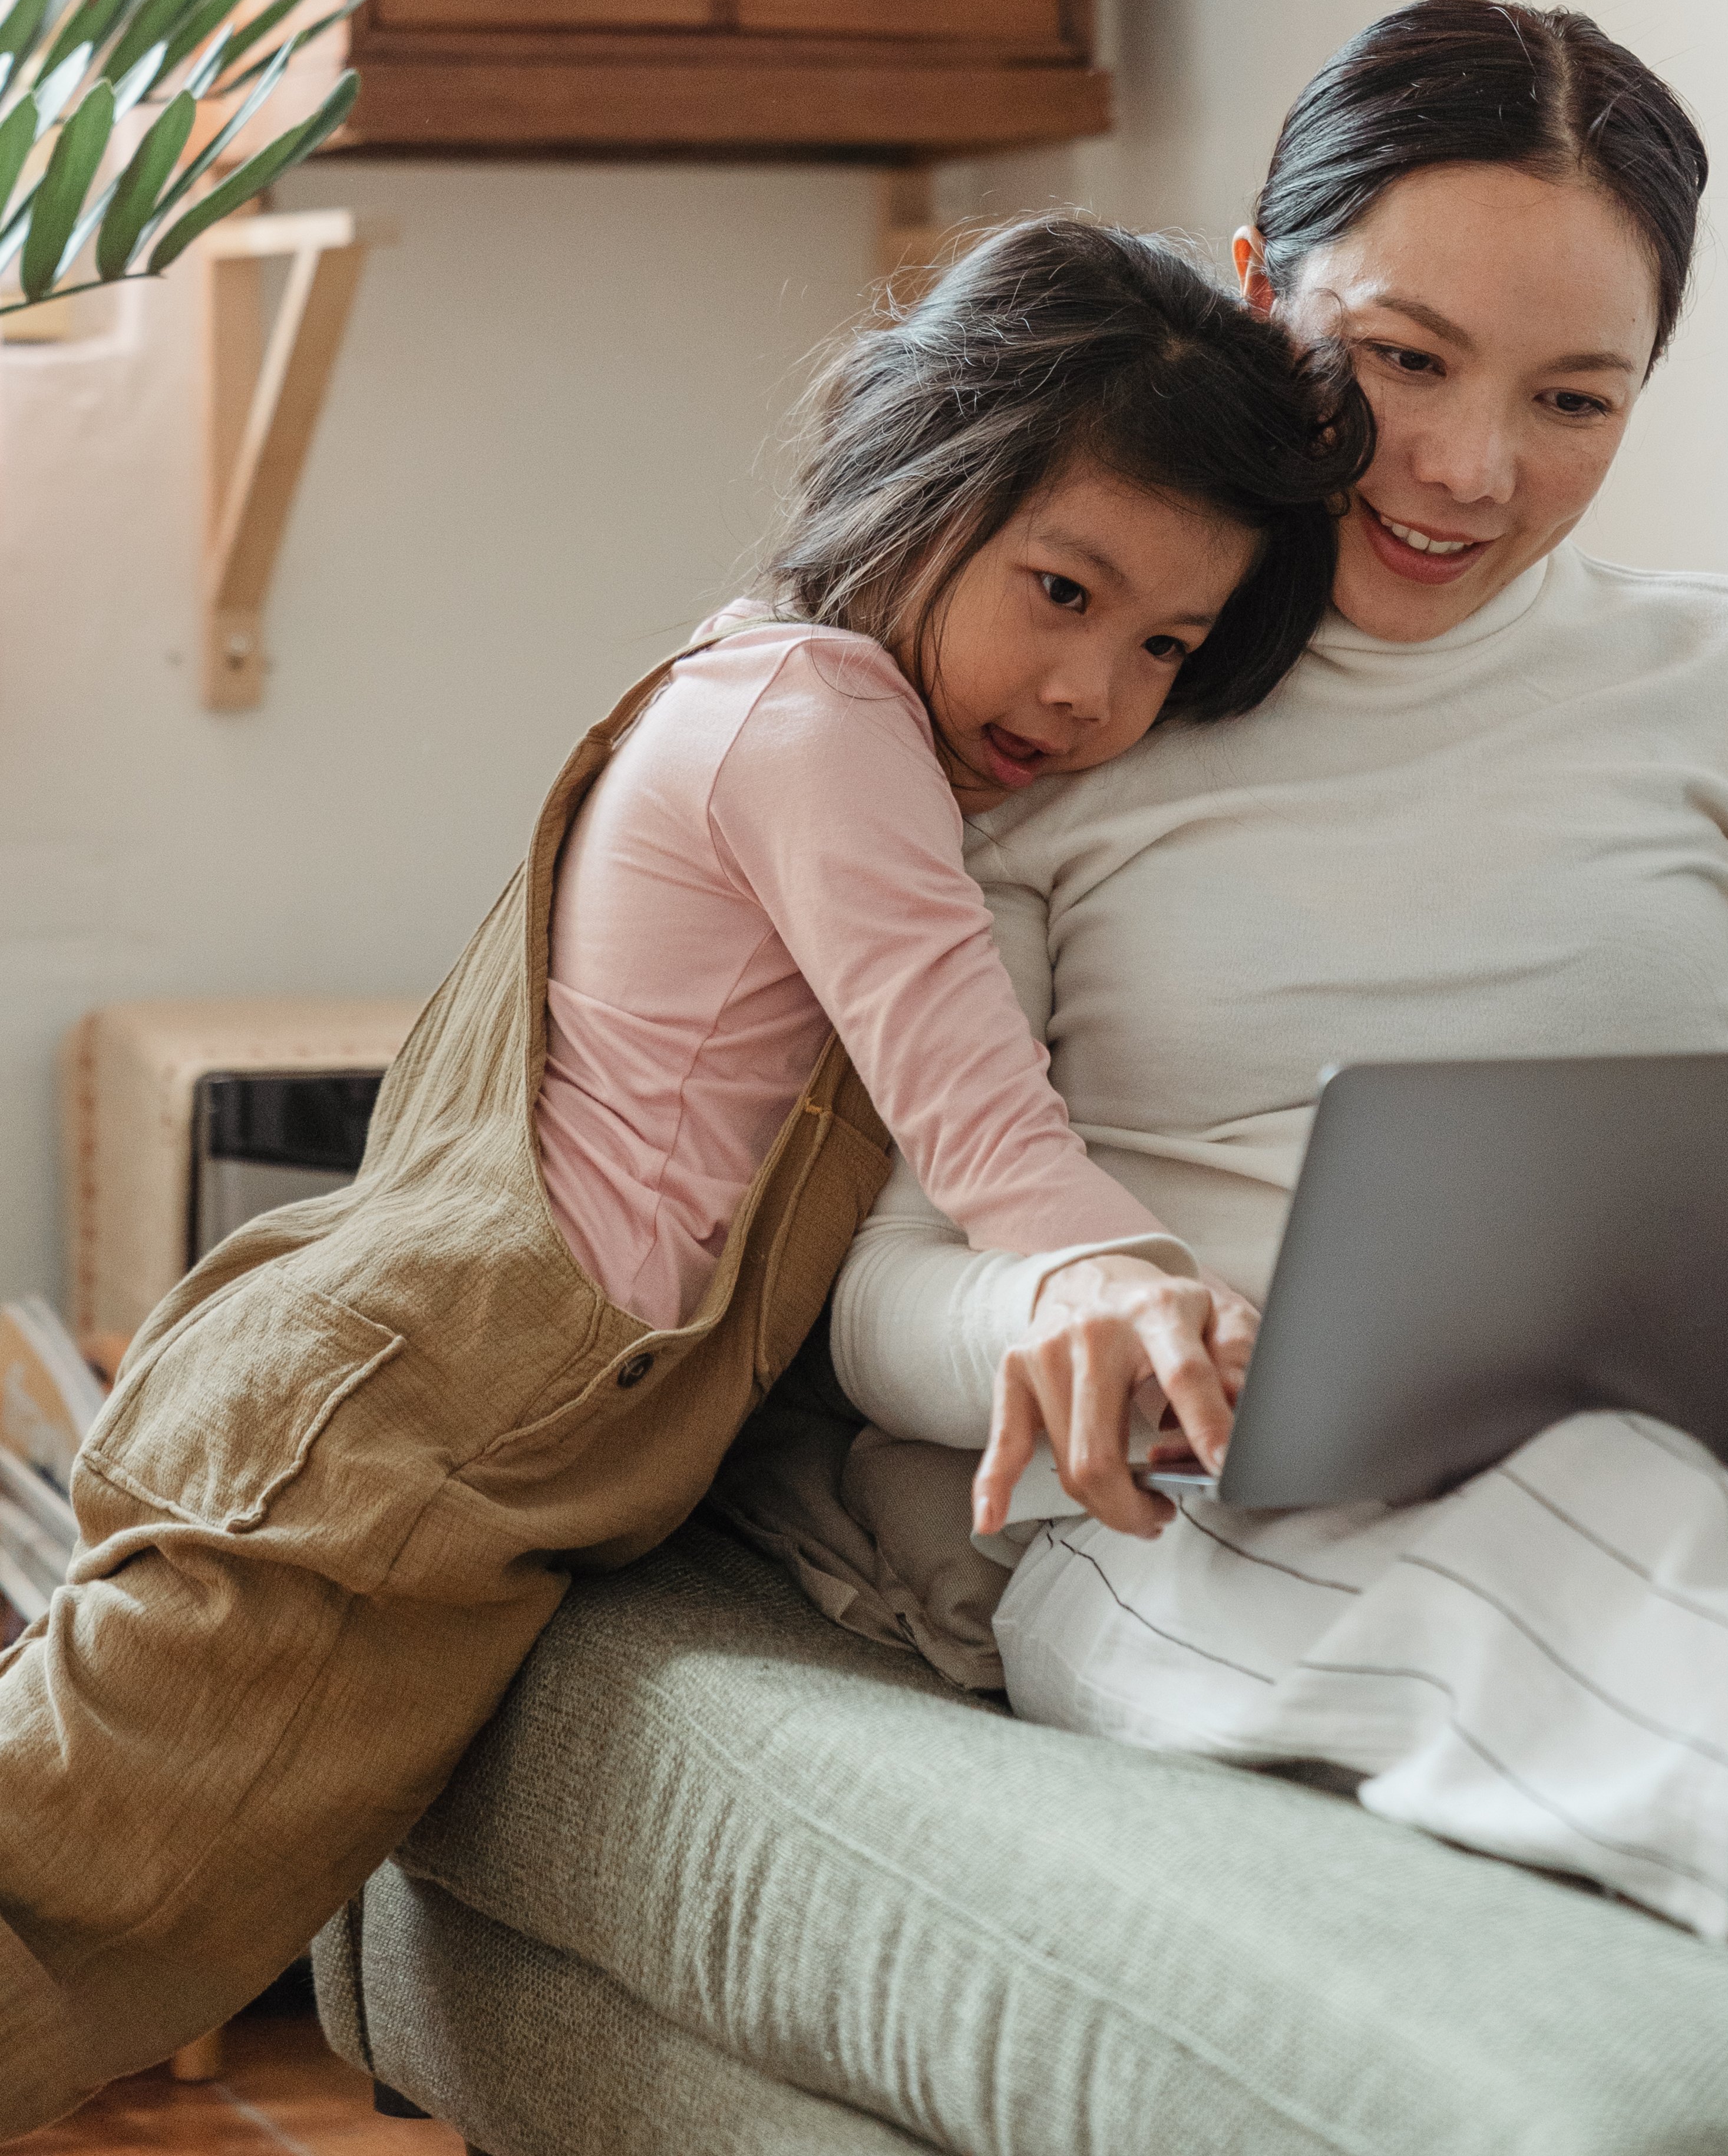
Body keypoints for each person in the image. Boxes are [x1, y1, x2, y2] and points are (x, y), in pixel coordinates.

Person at [828, 0, 1728, 2154]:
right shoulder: (1083, 698)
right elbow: (889, 1273)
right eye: (1405, 359)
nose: (1474, 468)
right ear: (1261, 298)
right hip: (1234, 1505)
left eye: (1577, 399)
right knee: (1577, 1527)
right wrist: (1070, 1305)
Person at [0, 219, 1366, 2133]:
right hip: (402, 1447)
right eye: (1062, 588)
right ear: (918, 478)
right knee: (70, 1898)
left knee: (95, 1903)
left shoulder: (755, 688)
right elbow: (973, 1102)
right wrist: (1130, 1280)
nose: (1090, 690)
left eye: (1163, 647)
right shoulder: (822, 730)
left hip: (414, 1436)